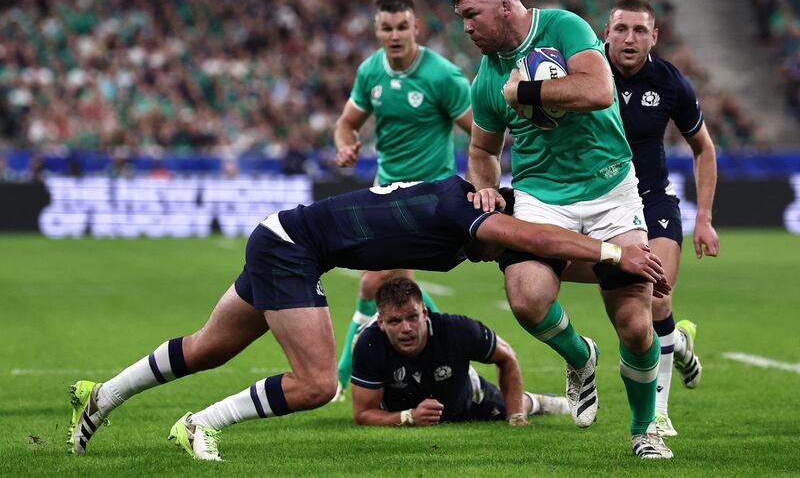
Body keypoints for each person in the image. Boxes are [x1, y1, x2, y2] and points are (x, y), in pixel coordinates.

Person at [67, 175, 668, 462]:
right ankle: (199, 423)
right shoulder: (464, 212)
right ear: (497, 209)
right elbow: (531, 236)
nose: (505, 258)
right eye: (505, 246)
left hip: (286, 237)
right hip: (293, 250)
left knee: (205, 348)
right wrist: (614, 250)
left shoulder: (466, 209)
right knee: (316, 384)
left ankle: (101, 396)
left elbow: (540, 255)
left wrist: (626, 276)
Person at [452, 0, 672, 458]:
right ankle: (580, 356)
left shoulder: (563, 26)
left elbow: (598, 90)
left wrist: (525, 91)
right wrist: (485, 188)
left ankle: (644, 431)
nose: (466, 28)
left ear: (505, 6)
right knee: (526, 297)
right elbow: (483, 151)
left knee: (636, 325)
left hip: (609, 188)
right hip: (540, 195)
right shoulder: (485, 79)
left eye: (472, 15)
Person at [333, 0, 473, 399]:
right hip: (386, 191)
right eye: (386, 28)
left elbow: (479, 132)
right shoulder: (370, 71)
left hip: (432, 197)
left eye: (401, 27)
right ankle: (447, 342)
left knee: (375, 279)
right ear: (377, 31)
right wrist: (346, 145)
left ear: (416, 29)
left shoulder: (443, 76)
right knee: (393, 283)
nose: (394, 35)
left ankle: (341, 378)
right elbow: (346, 124)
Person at [604, 0, 719, 437]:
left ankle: (658, 412)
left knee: (656, 298)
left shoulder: (670, 82)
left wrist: (704, 217)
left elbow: (703, 148)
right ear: (606, 33)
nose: (629, 38)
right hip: (601, 204)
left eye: (639, 30)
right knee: (638, 312)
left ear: (655, 36)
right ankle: (680, 344)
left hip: (652, 201)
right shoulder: (587, 71)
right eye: (621, 29)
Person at [351, 277, 569, 426]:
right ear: (380, 323)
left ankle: (540, 402)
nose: (406, 328)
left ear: (425, 312)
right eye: (395, 321)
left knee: (507, 405)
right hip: (399, 405)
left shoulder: (457, 330)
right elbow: (363, 413)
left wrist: (516, 418)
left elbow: (507, 356)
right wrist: (408, 417)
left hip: (466, 394)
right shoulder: (369, 345)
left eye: (412, 317)